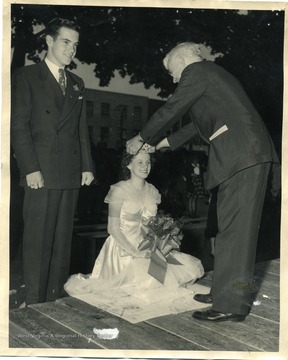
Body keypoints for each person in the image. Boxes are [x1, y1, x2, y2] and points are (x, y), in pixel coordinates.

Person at [126, 42, 280, 322]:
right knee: (228, 229)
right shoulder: (211, 78)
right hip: (241, 156)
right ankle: (223, 292)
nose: (173, 79)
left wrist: (141, 138)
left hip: (243, 156)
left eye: (172, 71)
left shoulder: (197, 71)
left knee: (236, 233)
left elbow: (172, 108)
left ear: (185, 58)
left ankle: (231, 304)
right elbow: (194, 127)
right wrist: (156, 145)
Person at [11, 18, 94, 306]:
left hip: (70, 173)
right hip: (41, 172)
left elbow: (82, 130)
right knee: (37, 241)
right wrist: (30, 168)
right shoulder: (26, 76)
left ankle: (55, 299)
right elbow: (18, 127)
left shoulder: (77, 83)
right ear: (49, 41)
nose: (72, 50)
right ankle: (34, 302)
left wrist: (87, 166)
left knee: (62, 242)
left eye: (75, 45)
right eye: (66, 42)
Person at [64, 148, 204, 304]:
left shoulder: (152, 191)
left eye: (148, 162)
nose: (145, 166)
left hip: (147, 246)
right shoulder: (119, 190)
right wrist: (134, 252)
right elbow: (113, 228)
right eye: (140, 162)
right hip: (123, 246)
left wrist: (165, 240)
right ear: (129, 165)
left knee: (172, 275)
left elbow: (153, 224)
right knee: (145, 285)